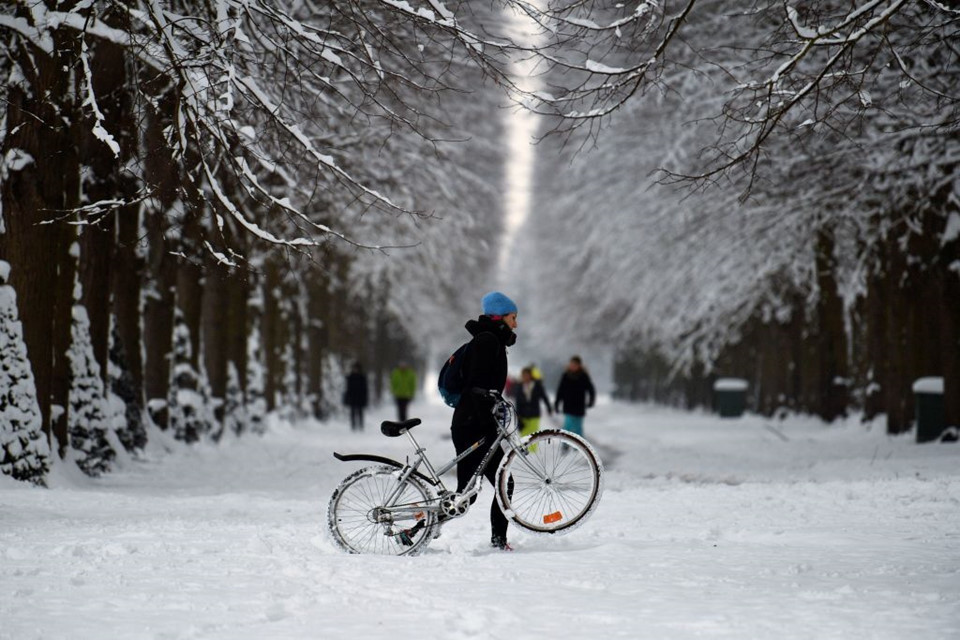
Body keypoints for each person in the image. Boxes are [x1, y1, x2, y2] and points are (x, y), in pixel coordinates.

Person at [451, 291, 519, 551]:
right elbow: (475, 387)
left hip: (476, 422)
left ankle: (499, 540)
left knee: (493, 486)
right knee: (467, 495)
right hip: (472, 424)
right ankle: (417, 524)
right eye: (513, 317)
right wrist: (491, 406)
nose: (516, 324)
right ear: (501, 317)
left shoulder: (492, 341)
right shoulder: (487, 341)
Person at [554, 355, 596, 437]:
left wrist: (591, 401)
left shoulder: (584, 376)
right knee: (567, 426)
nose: (573, 366)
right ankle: (565, 444)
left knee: (578, 428)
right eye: (572, 364)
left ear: (579, 365)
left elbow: (591, 389)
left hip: (579, 406)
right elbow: (560, 391)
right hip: (568, 406)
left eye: (575, 364)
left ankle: (579, 446)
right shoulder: (565, 376)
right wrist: (557, 403)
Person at [512, 366, 552, 440]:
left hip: (534, 415)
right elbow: (517, 402)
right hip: (523, 416)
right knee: (524, 438)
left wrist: (549, 407)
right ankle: (523, 451)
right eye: (524, 375)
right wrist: (518, 416)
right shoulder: (519, 387)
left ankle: (533, 451)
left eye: (527, 375)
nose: (525, 377)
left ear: (530, 375)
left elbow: (544, 397)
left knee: (533, 436)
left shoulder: (537, 385)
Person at [343, 362, 368, 432]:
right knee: (352, 412)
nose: (355, 370)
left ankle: (361, 426)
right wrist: (347, 398)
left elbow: (365, 389)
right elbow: (347, 388)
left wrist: (365, 399)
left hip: (360, 397)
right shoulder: (350, 377)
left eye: (357, 368)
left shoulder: (362, 377)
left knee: (360, 412)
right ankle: (353, 426)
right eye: (354, 368)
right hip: (352, 397)